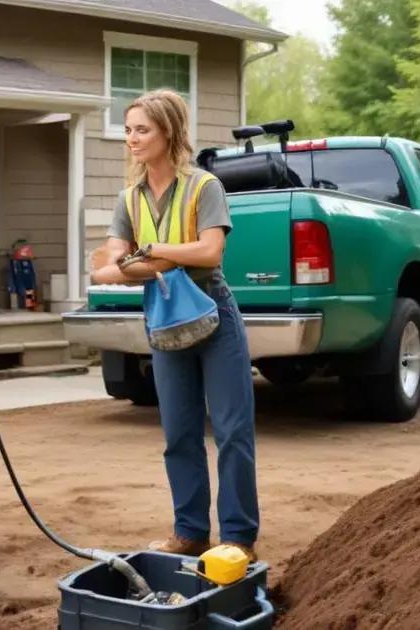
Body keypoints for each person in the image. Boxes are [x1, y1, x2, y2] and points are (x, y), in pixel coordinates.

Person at [89, 89, 260, 561]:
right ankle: (190, 532)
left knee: (232, 431)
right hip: (165, 320)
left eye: (142, 129)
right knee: (179, 434)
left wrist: (147, 256)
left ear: (169, 132)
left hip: (214, 313)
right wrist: (160, 259)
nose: (132, 139)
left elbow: (211, 252)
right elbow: (103, 270)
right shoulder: (129, 199)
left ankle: (237, 538)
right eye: (128, 130)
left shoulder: (204, 187)